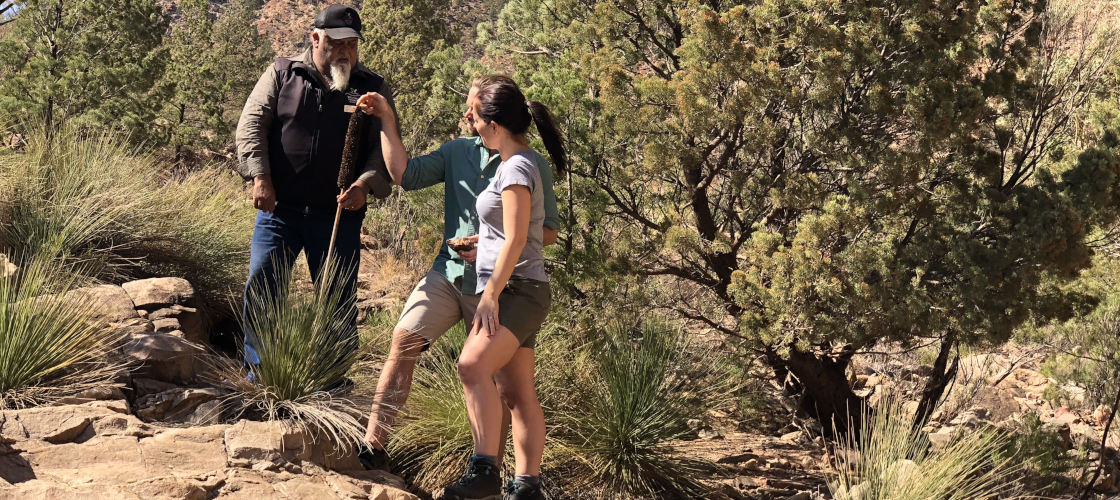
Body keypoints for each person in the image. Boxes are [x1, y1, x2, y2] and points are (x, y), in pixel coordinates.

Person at [361, 75, 564, 500]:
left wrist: (492, 267)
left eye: (473, 109)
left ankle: (487, 470)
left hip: (504, 287)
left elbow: (533, 235)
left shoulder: (521, 164)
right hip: (457, 274)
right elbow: (405, 174)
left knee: (482, 372)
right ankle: (520, 484)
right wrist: (386, 120)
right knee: (417, 345)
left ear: (491, 119)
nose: (466, 116)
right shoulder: (467, 153)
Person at [234, 4, 394, 378]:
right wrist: (260, 177)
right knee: (263, 286)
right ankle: (259, 375)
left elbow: (384, 146)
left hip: (337, 212)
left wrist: (365, 184)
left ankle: (332, 378)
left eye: (352, 44)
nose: (345, 52)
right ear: (316, 38)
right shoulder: (283, 74)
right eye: (337, 42)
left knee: (337, 298)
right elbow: (251, 125)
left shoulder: (371, 87)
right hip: (279, 211)